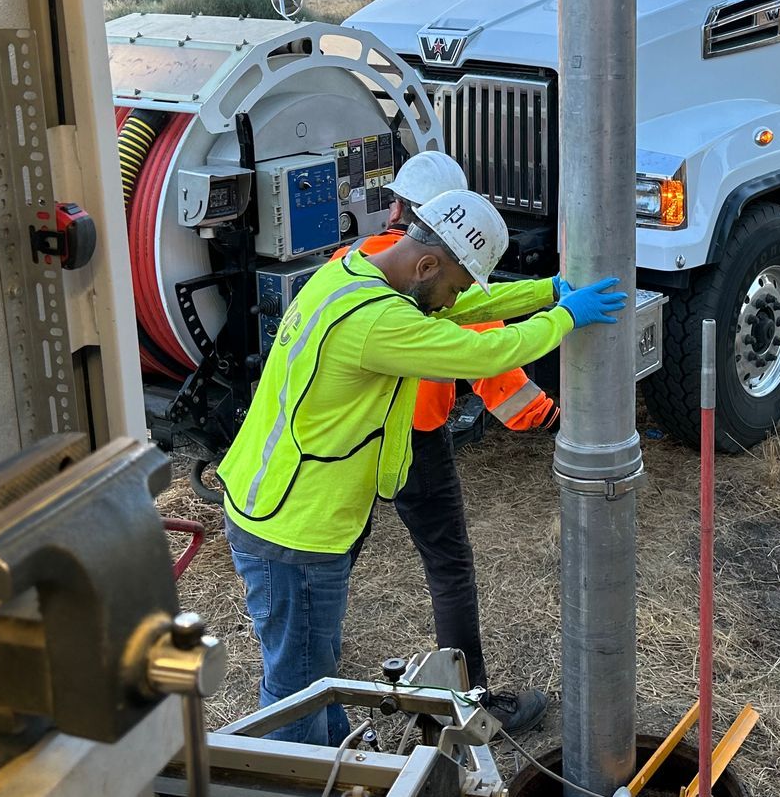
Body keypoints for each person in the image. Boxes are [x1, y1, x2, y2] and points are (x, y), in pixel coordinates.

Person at [217, 187, 625, 747]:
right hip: (297, 530)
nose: (455, 298)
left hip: (275, 509)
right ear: (427, 263)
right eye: (455, 283)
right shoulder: (377, 323)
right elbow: (484, 353)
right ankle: (298, 772)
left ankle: (338, 760)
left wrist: (545, 291)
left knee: (312, 675)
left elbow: (462, 309)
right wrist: (563, 319)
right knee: (293, 694)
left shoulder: (353, 274)